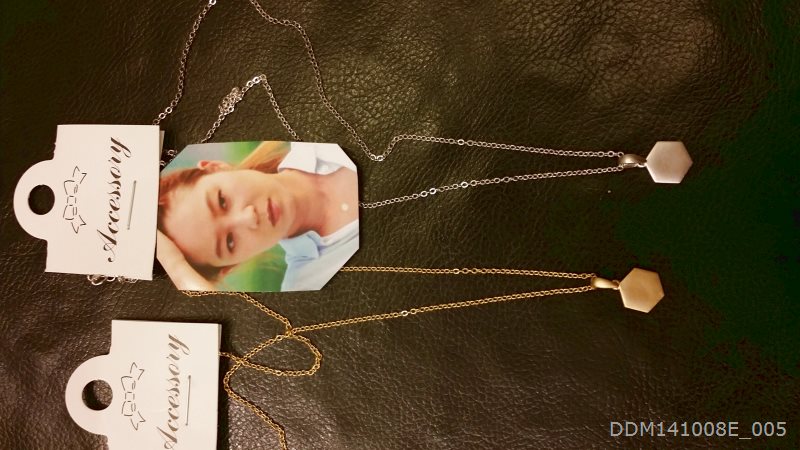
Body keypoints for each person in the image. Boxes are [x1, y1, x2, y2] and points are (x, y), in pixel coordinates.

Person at [156, 141, 359, 291]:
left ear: (216, 168)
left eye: (222, 201)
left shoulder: (318, 131)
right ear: (231, 265)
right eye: (230, 242)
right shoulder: (307, 285)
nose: (249, 218)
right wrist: (176, 267)